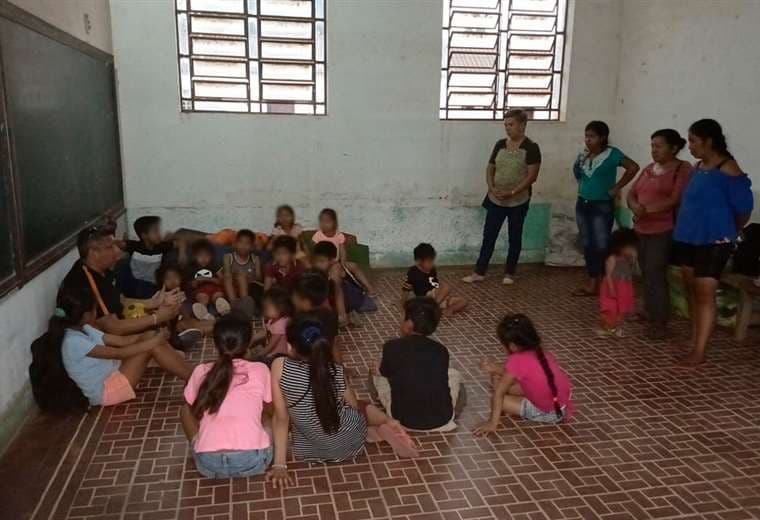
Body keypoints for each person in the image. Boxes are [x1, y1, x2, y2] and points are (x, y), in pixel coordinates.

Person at [266, 312, 418, 489]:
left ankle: (375, 431)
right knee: (361, 406)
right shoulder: (335, 371)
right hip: (350, 445)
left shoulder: (279, 366)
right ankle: (386, 423)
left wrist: (279, 465)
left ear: (291, 347)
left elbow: (281, 418)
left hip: (308, 451)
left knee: (275, 415)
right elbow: (353, 405)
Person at [672, 119, 754, 367]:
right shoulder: (699, 168)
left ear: (709, 141)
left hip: (715, 240)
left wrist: (732, 231)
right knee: (692, 290)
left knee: (705, 293)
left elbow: (744, 209)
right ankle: (695, 339)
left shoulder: (729, 170)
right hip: (688, 237)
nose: (691, 146)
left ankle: (700, 350)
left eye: (694, 141)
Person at [56, 284, 193, 408]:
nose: (96, 312)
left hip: (114, 372)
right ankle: (195, 379)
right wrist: (154, 341)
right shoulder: (73, 341)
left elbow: (121, 341)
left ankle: (192, 375)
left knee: (151, 337)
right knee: (152, 346)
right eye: (94, 309)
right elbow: (119, 353)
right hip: (107, 392)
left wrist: (152, 336)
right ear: (86, 315)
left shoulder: (84, 328)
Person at [180, 318, 273, 478]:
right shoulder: (260, 369)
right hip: (252, 461)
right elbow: (271, 409)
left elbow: (191, 410)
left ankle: (203, 445)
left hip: (208, 465)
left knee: (184, 410)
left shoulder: (201, 371)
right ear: (249, 342)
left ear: (215, 343)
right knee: (271, 412)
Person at [627, 129, 694, 339]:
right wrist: (635, 206)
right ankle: (649, 310)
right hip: (641, 228)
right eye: (652, 146)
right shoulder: (649, 169)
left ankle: (660, 321)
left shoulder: (682, 169)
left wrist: (646, 211)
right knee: (646, 271)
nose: (654, 150)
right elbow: (631, 192)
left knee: (656, 273)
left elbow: (675, 199)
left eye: (659, 146)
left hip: (663, 229)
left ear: (674, 148)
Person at [462, 109, 542, 286]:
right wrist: (491, 187)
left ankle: (510, 272)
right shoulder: (500, 144)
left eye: (511, 124)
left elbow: (532, 176)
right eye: (505, 125)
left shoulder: (531, 147)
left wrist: (513, 192)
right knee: (489, 236)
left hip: (518, 201)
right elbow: (490, 168)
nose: (507, 128)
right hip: (496, 199)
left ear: (522, 125)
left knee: (515, 236)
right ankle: (479, 272)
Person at [61, 226, 183, 336]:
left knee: (165, 318)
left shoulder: (102, 269)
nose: (117, 251)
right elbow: (114, 328)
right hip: (99, 345)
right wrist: (156, 318)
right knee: (159, 334)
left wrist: (154, 302)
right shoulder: (86, 281)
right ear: (94, 253)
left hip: (115, 328)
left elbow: (120, 300)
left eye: (115, 245)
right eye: (110, 247)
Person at [371, 297, 464, 432]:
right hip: (442, 420)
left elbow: (387, 372)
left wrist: (379, 369)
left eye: (402, 317)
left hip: (403, 420)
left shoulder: (391, 347)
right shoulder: (441, 350)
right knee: (454, 374)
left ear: (409, 324)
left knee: (377, 373)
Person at [475, 314, 574, 435]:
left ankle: (520, 410)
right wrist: (496, 369)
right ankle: (522, 404)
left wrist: (492, 423)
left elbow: (499, 393)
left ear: (512, 346)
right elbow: (522, 375)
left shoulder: (516, 360)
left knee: (500, 397)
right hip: (561, 406)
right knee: (503, 380)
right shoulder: (541, 352)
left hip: (550, 414)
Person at [572, 121, 640, 296]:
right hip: (583, 204)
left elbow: (633, 167)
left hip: (601, 206)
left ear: (602, 138)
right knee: (587, 244)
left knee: (601, 245)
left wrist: (617, 187)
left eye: (592, 136)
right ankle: (592, 281)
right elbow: (578, 175)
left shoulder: (612, 154)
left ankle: (605, 282)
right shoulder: (583, 155)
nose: (588, 140)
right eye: (586, 136)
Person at [116, 216, 186, 299]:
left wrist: (182, 254)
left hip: (154, 285)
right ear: (144, 235)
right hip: (135, 284)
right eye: (155, 231)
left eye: (159, 231)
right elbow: (116, 243)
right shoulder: (135, 246)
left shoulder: (161, 246)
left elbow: (181, 241)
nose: (159, 234)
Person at [312, 208, 375, 295]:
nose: (324, 224)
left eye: (327, 221)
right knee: (335, 269)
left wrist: (343, 262)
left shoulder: (339, 235)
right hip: (324, 264)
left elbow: (342, 250)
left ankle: (369, 288)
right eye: (322, 221)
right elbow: (316, 253)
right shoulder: (318, 235)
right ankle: (336, 292)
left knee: (353, 266)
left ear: (334, 223)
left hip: (337, 262)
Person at [403, 243, 467, 317]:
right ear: (419, 261)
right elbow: (406, 288)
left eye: (433, 261)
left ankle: (448, 309)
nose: (432, 263)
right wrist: (402, 302)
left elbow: (435, 284)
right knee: (446, 286)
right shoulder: (413, 272)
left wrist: (440, 294)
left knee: (463, 301)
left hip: (438, 298)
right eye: (429, 261)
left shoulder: (433, 269)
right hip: (426, 298)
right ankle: (432, 307)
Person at [597, 229, 638, 337]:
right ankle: (605, 327)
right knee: (611, 309)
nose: (633, 249)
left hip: (624, 287)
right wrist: (611, 288)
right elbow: (608, 275)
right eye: (630, 247)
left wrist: (633, 258)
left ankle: (617, 328)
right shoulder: (612, 259)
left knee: (622, 309)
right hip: (613, 286)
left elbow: (631, 270)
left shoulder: (628, 259)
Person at [155, 263, 206, 349]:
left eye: (175, 277)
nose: (172, 281)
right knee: (192, 326)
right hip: (173, 328)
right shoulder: (160, 295)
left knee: (203, 324)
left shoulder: (184, 292)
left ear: (181, 278)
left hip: (185, 321)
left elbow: (187, 316)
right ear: (162, 281)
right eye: (168, 278)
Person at [186, 239, 231, 321]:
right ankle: (204, 314)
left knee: (218, 296)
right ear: (194, 256)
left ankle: (224, 311)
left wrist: (207, 279)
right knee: (203, 298)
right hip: (200, 290)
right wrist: (195, 282)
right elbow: (190, 285)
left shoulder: (214, 266)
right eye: (200, 255)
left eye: (207, 256)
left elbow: (221, 281)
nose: (204, 258)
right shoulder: (192, 268)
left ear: (211, 256)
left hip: (215, 288)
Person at [250, 287, 294, 365]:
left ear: (280, 308)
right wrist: (252, 340)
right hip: (271, 353)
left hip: (278, 357)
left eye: (267, 309)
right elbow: (264, 332)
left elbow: (271, 345)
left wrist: (259, 355)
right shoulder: (272, 319)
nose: (264, 311)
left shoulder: (280, 325)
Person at [222, 229, 263, 306]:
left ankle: (244, 304)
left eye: (247, 243)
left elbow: (259, 277)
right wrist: (237, 275)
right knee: (230, 276)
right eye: (240, 242)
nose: (243, 246)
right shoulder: (228, 257)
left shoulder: (255, 259)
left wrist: (249, 277)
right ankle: (233, 302)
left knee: (242, 276)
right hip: (231, 287)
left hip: (248, 287)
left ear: (252, 247)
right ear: (235, 244)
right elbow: (227, 273)